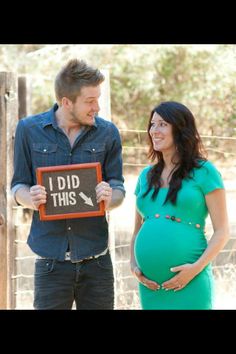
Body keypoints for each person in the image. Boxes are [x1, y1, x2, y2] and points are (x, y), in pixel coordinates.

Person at [11, 58, 125, 310]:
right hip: (50, 262)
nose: (97, 107)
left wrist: (110, 197)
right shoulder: (28, 130)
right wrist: (30, 198)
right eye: (90, 101)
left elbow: (118, 187)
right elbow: (17, 186)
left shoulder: (108, 133)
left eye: (98, 99)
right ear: (66, 102)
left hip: (97, 262)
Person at [130, 101, 229, 310]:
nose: (154, 131)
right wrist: (133, 265)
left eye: (162, 124)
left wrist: (194, 269)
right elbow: (137, 230)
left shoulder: (204, 172)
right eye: (152, 124)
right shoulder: (145, 176)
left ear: (180, 129)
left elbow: (222, 232)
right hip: (152, 287)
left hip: (191, 282)